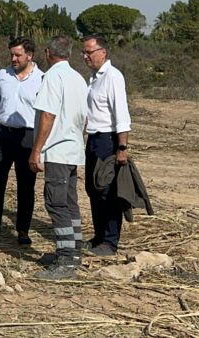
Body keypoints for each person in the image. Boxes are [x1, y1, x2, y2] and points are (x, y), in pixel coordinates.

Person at [29, 36, 88, 280]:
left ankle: (66, 259)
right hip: (73, 148)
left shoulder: (53, 77)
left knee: (56, 203)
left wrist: (37, 149)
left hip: (57, 150)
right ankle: (74, 250)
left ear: (47, 52)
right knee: (70, 202)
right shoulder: (78, 78)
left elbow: (48, 115)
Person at [0, 37, 43, 245]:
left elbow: (46, 114)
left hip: (28, 137)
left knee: (26, 186)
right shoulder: (2, 75)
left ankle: (23, 230)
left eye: (18, 55)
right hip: (2, 135)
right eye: (11, 54)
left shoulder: (42, 79)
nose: (13, 59)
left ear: (30, 56)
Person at [82, 33, 132, 257]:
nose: (85, 56)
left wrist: (122, 147)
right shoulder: (93, 78)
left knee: (107, 192)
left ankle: (111, 242)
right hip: (93, 139)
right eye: (84, 52)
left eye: (89, 52)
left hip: (107, 141)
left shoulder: (113, 77)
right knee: (93, 189)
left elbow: (121, 114)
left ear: (103, 52)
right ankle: (99, 236)